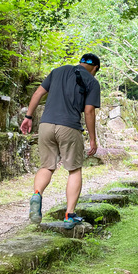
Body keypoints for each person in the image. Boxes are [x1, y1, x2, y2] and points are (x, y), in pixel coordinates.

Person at [20, 53, 101, 229]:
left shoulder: (57, 71)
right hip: (69, 127)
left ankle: (37, 194)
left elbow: (38, 93)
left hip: (46, 125)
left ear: (80, 62)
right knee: (74, 169)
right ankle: (69, 215)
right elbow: (89, 111)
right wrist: (93, 139)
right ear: (95, 68)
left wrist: (28, 117)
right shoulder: (92, 81)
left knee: (47, 166)